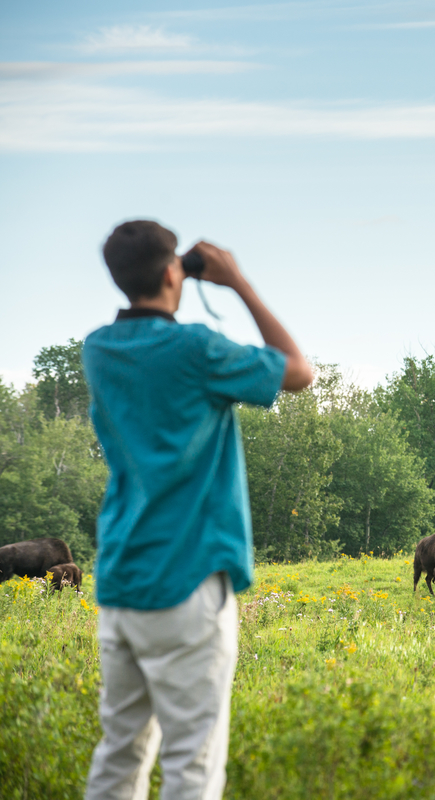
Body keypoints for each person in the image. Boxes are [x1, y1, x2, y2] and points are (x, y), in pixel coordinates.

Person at [82, 220, 313, 799]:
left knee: (120, 753)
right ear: (170, 272)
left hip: (122, 577)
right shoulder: (195, 349)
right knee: (193, 763)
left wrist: (177, 273)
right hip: (187, 579)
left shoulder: (99, 349)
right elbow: (298, 372)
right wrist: (238, 282)